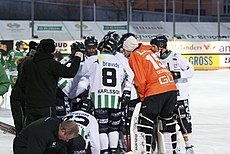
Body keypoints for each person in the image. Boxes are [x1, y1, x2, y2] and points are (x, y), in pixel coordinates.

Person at [77, 35, 132, 154]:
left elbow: (79, 72)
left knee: (102, 129)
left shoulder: (93, 59)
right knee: (114, 129)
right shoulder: (119, 61)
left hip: (99, 99)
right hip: (116, 99)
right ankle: (113, 150)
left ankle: (105, 151)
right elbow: (129, 76)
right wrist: (126, 92)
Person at [126, 35, 177, 153]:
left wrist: (143, 98)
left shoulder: (135, 56)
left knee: (146, 119)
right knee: (167, 120)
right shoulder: (148, 50)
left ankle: (147, 150)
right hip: (171, 86)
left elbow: (140, 80)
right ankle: (172, 150)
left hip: (155, 90)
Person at [19, 38, 83, 126]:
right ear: (52, 49)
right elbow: (70, 72)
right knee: (46, 131)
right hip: (47, 105)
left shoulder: (27, 63)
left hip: (30, 105)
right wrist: (77, 57)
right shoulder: (51, 64)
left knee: (30, 132)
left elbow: (22, 83)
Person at [151, 35, 195, 154]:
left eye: (154, 47)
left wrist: (179, 75)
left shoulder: (176, 57)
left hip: (180, 97)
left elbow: (191, 70)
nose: (152, 49)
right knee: (168, 125)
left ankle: (189, 146)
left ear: (161, 47)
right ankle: (173, 149)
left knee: (184, 123)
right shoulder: (155, 60)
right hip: (166, 97)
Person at [10, 41, 38, 135]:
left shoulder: (26, 60)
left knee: (23, 125)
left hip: (23, 96)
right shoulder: (29, 62)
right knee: (22, 125)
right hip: (21, 96)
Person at [13, 117, 79, 154]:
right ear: (62, 131)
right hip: (24, 146)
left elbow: (62, 149)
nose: (67, 140)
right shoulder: (43, 133)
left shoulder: (62, 128)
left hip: (46, 145)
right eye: (67, 138)